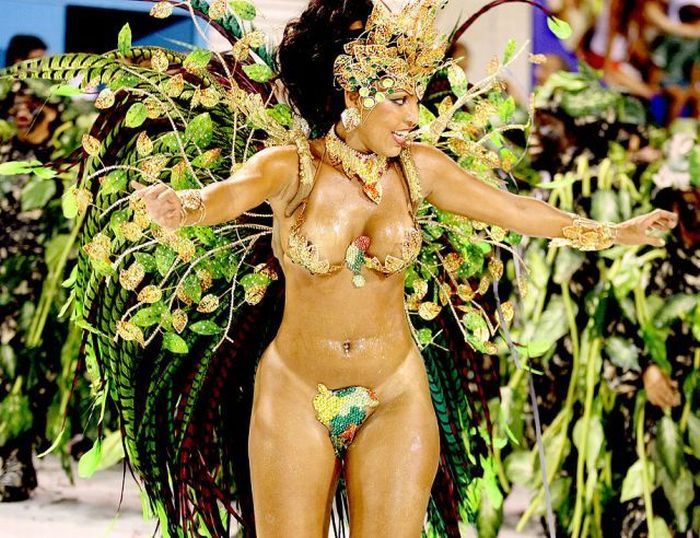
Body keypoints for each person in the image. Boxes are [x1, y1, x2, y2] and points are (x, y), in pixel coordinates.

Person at [1, 0, 679, 535]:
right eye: (402, 100)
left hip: (396, 391)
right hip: (296, 393)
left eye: (420, 97)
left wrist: (614, 231)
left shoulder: (421, 173)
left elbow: (519, 212)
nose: (417, 115)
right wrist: (181, 206)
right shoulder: (291, 168)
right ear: (353, 89)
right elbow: (224, 196)